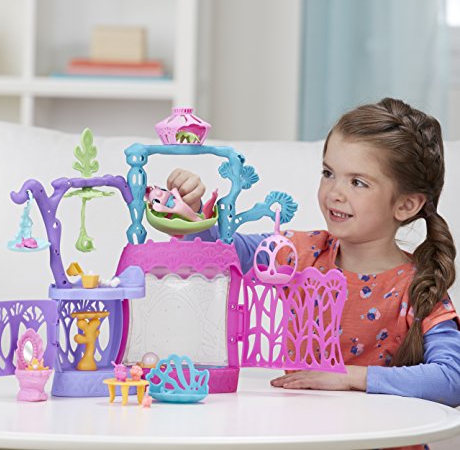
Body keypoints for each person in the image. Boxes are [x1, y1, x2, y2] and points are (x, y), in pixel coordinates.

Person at [166, 98, 460, 408]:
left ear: (406, 205)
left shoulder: (420, 287)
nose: (335, 193)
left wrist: (350, 377)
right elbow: (217, 254)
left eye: (358, 182)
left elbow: (452, 379)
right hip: (302, 427)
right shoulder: (299, 253)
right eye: (328, 173)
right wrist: (190, 214)